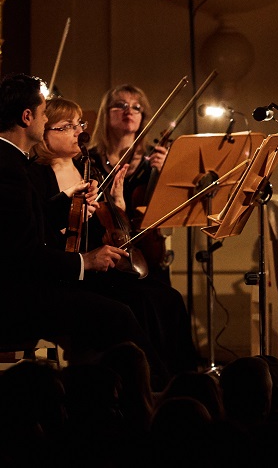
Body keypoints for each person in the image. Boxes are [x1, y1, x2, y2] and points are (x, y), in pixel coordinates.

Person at [28, 96, 198, 381]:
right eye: (67, 126)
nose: (79, 132)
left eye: (79, 124)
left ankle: (185, 378)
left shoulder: (85, 166)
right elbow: (48, 233)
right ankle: (153, 383)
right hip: (73, 272)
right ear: (44, 133)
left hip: (98, 267)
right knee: (139, 303)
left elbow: (103, 224)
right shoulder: (38, 174)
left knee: (169, 298)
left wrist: (116, 208)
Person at [0, 74, 154, 370]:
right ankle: (152, 394)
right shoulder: (9, 168)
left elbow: (32, 221)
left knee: (127, 304)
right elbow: (24, 254)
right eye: (45, 114)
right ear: (27, 116)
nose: (46, 123)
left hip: (24, 285)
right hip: (16, 298)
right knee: (118, 313)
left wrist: (69, 205)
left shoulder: (13, 161)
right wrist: (86, 262)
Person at [88, 84, 172, 281]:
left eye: (136, 107)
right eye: (121, 105)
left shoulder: (156, 158)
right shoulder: (89, 159)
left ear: (143, 117)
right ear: (106, 114)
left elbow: (169, 209)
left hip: (148, 246)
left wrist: (165, 175)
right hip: (102, 250)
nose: (129, 111)